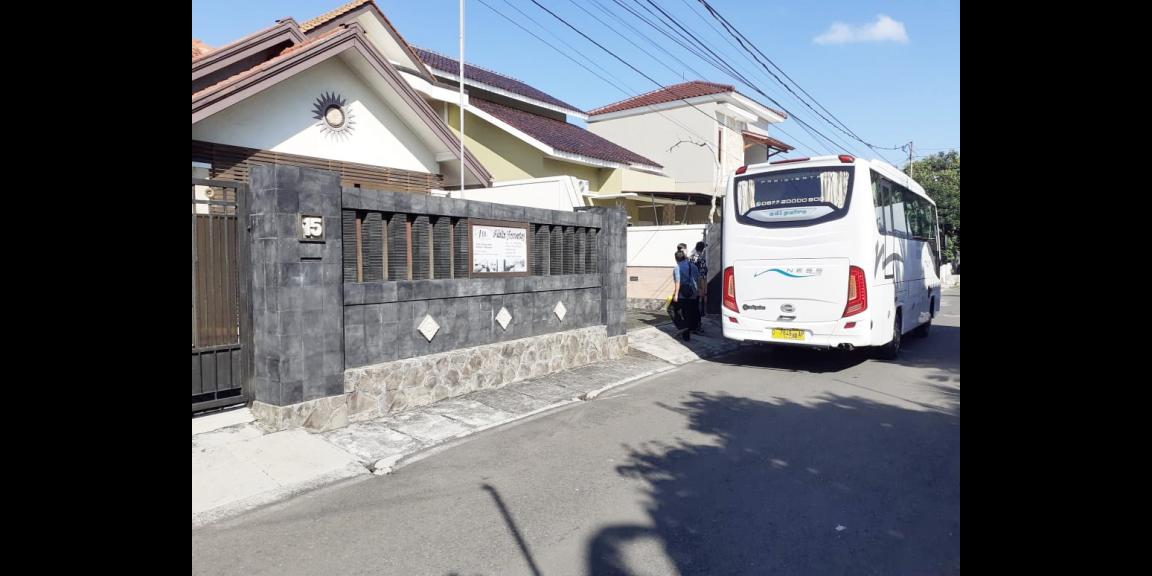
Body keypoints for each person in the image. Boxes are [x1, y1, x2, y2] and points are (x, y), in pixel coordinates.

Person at [672, 249, 701, 341]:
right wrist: (698, 290)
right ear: (684, 257)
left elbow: (677, 281)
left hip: (682, 294)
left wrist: (676, 294)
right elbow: (698, 279)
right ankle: (690, 330)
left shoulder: (677, 267)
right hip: (693, 293)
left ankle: (683, 329)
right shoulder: (693, 266)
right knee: (690, 312)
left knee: (672, 309)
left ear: (676, 259)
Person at [689, 241, 708, 332]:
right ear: (703, 249)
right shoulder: (701, 259)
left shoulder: (690, 257)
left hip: (690, 285)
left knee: (691, 306)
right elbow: (702, 274)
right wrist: (703, 289)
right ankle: (697, 326)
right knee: (697, 307)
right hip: (698, 285)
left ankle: (691, 325)